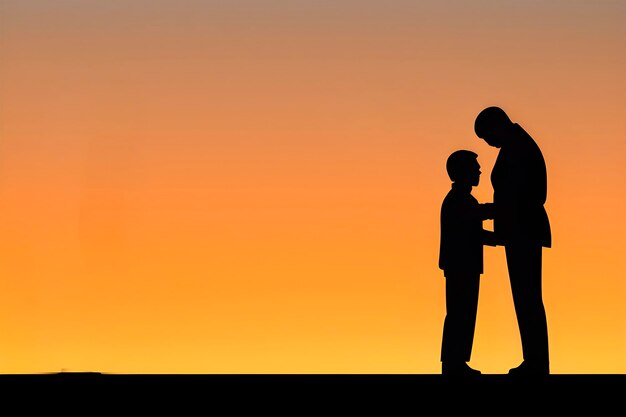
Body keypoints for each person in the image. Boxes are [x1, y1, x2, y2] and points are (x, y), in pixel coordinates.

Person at [474, 106, 552, 376]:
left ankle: (537, 363)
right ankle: (534, 360)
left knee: (528, 296)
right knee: (526, 297)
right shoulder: (516, 145)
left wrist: (485, 211)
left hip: (524, 231)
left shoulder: (518, 147)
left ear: (497, 125)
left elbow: (519, 196)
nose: (489, 144)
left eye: (487, 137)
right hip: (519, 230)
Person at [439, 150, 497, 376]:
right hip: (460, 265)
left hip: (465, 265)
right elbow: (475, 221)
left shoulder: (463, 199)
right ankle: (453, 363)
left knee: (464, 313)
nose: (479, 171)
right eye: (474, 167)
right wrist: (501, 211)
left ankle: (457, 361)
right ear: (462, 172)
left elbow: (475, 227)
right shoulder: (458, 200)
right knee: (459, 313)